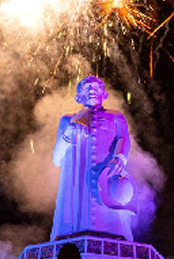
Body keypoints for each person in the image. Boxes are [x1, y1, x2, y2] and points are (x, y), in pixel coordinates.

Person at [50, 76, 137, 241]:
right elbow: (56, 158)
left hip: (107, 174)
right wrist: (68, 133)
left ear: (104, 94)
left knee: (112, 216)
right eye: (87, 87)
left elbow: (123, 138)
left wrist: (119, 157)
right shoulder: (68, 119)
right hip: (76, 180)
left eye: (97, 87)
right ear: (78, 96)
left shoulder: (116, 116)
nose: (92, 90)